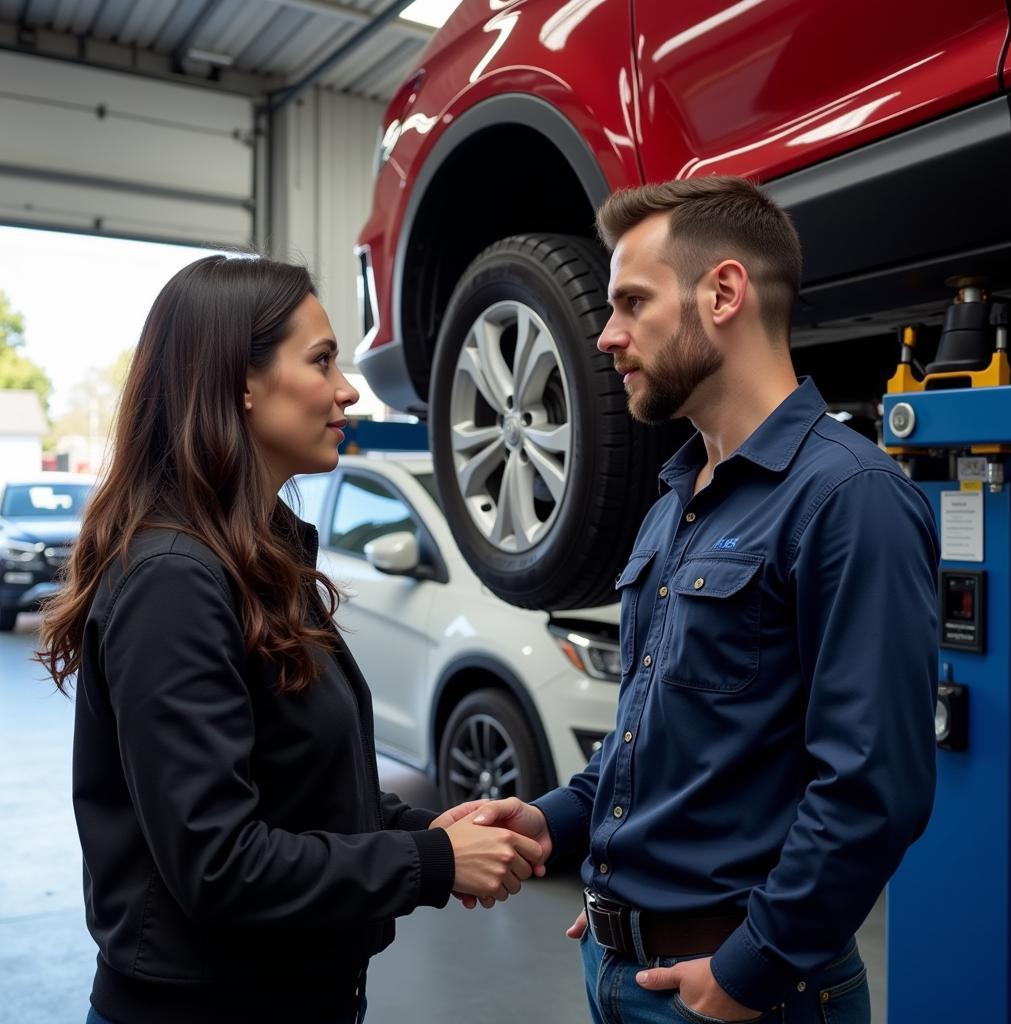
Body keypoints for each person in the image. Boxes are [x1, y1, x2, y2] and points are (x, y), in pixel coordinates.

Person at [468, 177, 939, 1023]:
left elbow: (874, 786)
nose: (607, 335)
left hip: (745, 993)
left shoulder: (849, 497)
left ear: (723, 292)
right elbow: (655, 741)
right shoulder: (672, 503)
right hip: (620, 966)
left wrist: (751, 967)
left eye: (632, 302)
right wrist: (555, 823)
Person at [36, 255, 543, 1024]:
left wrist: (423, 828)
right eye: (322, 360)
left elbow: (293, 789)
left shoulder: (254, 558)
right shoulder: (173, 580)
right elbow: (217, 863)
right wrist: (432, 864)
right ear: (240, 382)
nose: (346, 389)